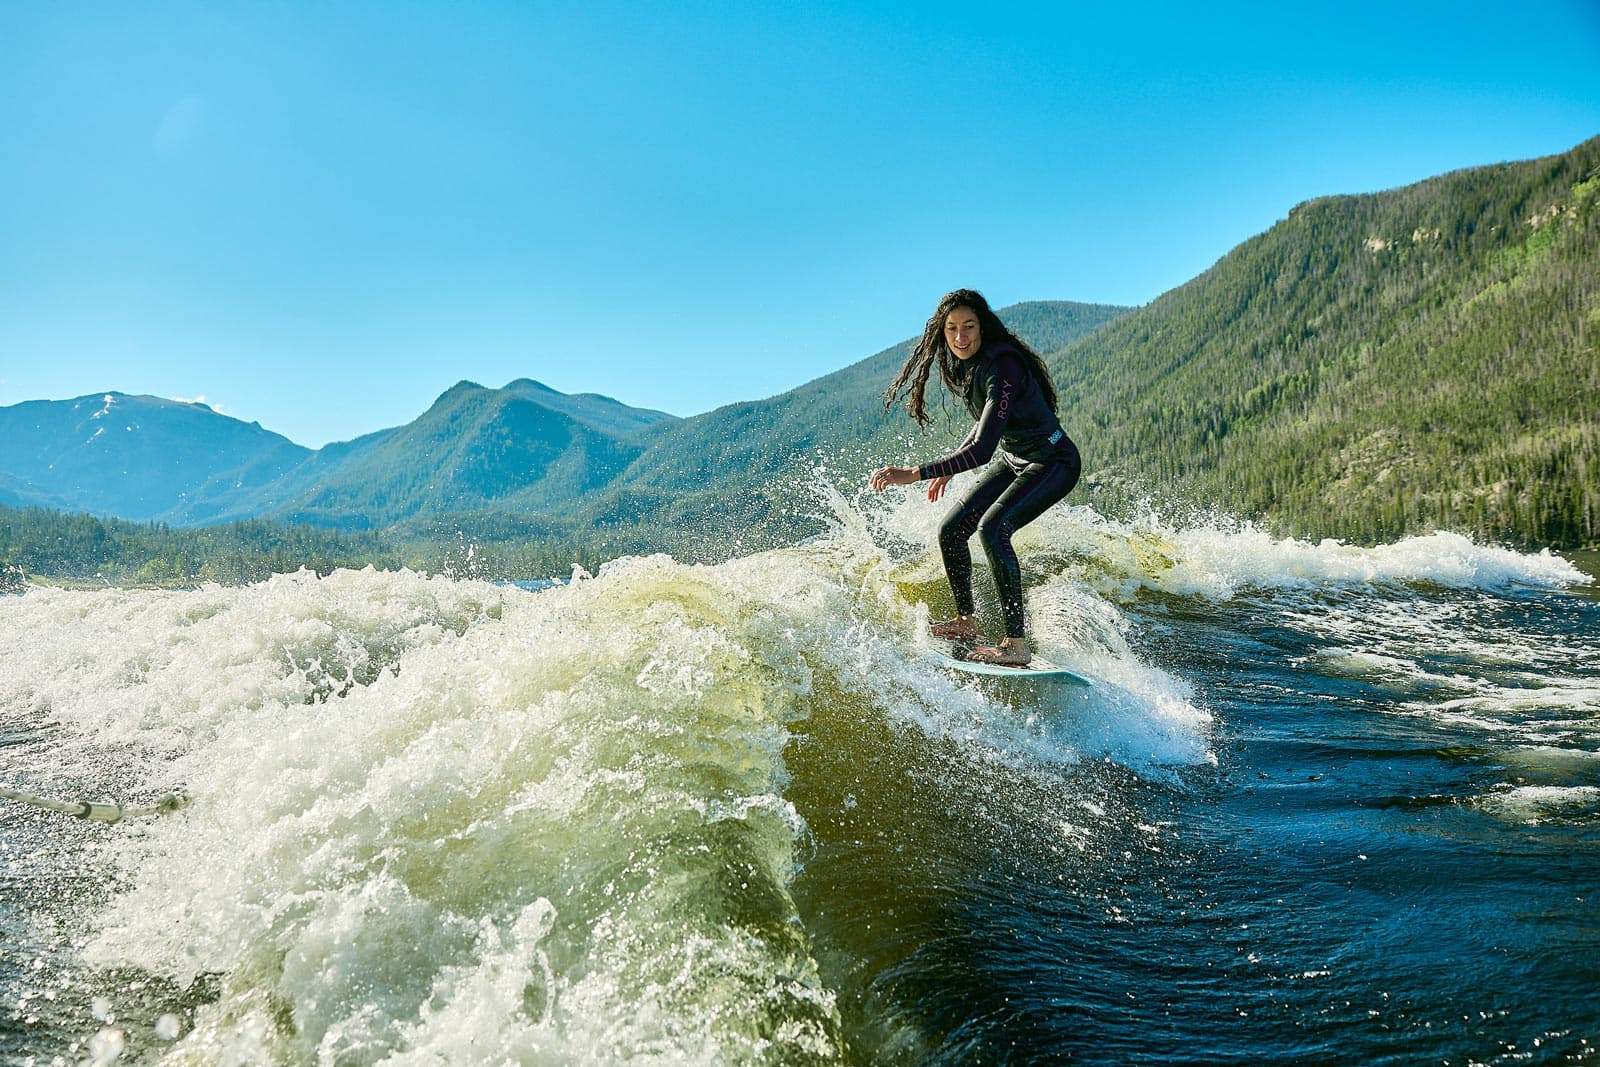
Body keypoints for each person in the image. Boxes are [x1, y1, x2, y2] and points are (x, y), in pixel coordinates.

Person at [869, 289, 1081, 666]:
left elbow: (983, 450)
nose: (960, 337)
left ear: (982, 328)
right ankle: (966, 621)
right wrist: (951, 466)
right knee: (951, 530)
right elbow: (986, 427)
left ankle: (1016, 644)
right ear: (942, 333)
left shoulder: (1004, 367)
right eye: (952, 329)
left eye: (968, 327)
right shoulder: (972, 366)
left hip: (1054, 461)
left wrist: (917, 473)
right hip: (1016, 458)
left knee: (992, 529)